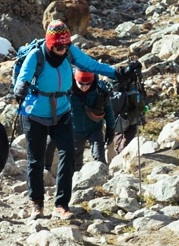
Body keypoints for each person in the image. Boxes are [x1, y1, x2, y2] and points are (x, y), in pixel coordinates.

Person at [14, 20, 133, 220]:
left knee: (68, 154)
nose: (62, 50)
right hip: (35, 114)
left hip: (61, 111)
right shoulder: (36, 55)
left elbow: (91, 65)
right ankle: (37, 203)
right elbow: (24, 76)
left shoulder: (70, 51)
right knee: (36, 159)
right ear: (50, 44)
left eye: (66, 46)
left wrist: (118, 73)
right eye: (58, 47)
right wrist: (21, 87)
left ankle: (61, 204)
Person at [68, 68, 116, 169]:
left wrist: (110, 129)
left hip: (95, 128)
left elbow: (108, 110)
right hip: (75, 130)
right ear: (75, 79)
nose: (84, 87)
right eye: (81, 83)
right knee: (74, 162)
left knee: (99, 159)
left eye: (88, 84)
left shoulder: (100, 90)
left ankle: (101, 181)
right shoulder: (67, 90)